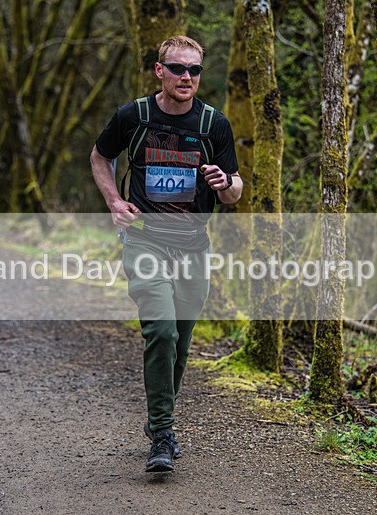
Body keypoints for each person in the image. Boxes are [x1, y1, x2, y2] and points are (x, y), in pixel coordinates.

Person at [91, 35, 243, 473]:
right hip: (144, 239)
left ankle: (160, 420)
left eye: (194, 70)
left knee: (180, 339)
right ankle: (163, 432)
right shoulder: (133, 116)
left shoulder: (214, 124)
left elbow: (235, 191)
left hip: (194, 245)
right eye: (177, 69)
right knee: (161, 329)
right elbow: (100, 158)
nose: (186, 78)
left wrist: (223, 182)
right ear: (160, 70)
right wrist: (115, 204)